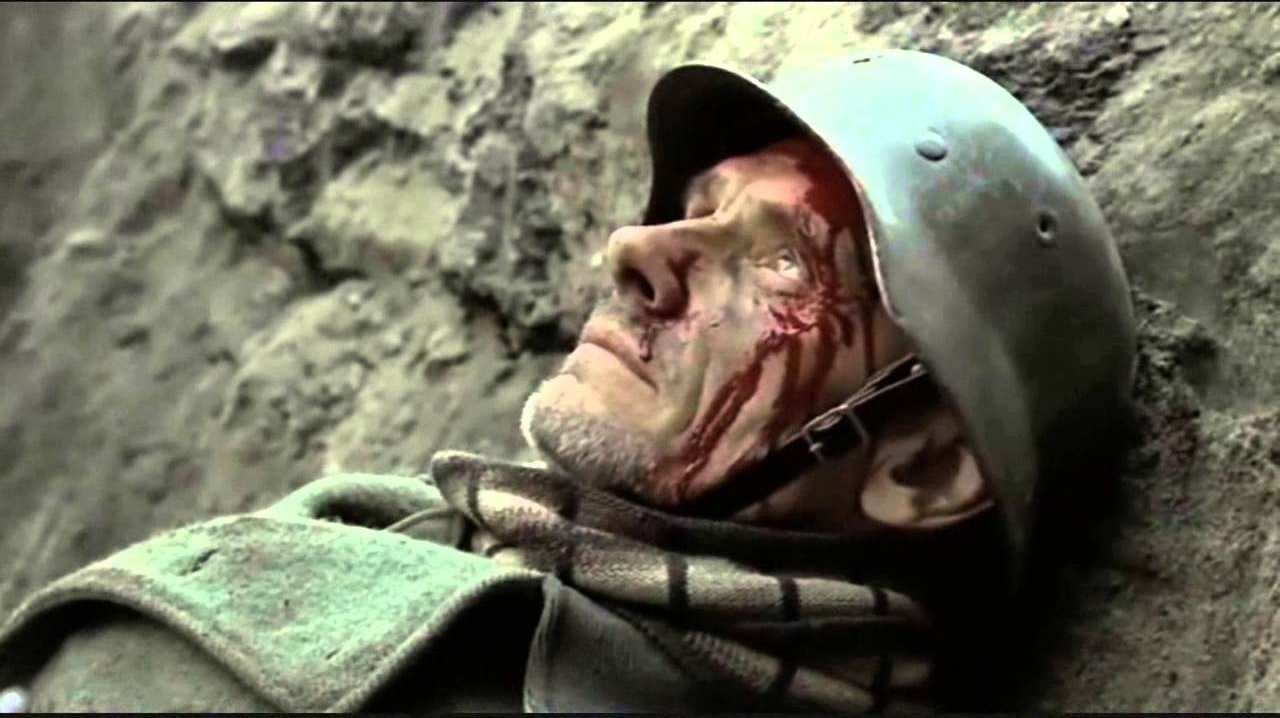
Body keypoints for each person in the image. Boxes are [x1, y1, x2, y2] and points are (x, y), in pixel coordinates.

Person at [0, 49, 1135, 712]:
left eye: (781, 259)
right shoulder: (411, 532)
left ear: (919, 466)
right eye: (695, 208)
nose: (632, 249)